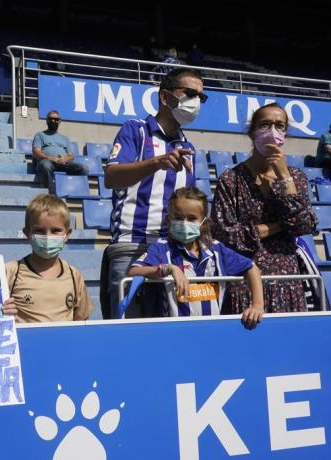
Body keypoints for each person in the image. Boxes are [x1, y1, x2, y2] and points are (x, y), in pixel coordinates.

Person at [101, 67, 205, 319]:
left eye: (201, 97)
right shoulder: (135, 130)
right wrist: (156, 162)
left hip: (172, 251)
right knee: (128, 333)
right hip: (132, 246)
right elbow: (111, 177)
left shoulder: (187, 146)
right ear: (165, 97)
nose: (196, 102)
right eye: (189, 93)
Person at [211, 103, 317, 314]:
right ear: (252, 133)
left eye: (280, 126)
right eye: (265, 125)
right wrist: (281, 225)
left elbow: (305, 224)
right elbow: (226, 234)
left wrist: (284, 177)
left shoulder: (296, 177)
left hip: (287, 280)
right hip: (244, 279)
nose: (272, 131)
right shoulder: (231, 180)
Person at [127, 187, 264, 328]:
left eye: (192, 218)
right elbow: (133, 271)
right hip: (174, 330)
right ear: (168, 220)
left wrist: (258, 305)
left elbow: (251, 268)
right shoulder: (161, 248)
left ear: (204, 223)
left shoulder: (217, 250)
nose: (184, 223)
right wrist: (169, 269)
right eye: (178, 218)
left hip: (212, 329)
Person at [1, 194, 93, 322]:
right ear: (27, 233)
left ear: (67, 234)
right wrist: (0, 313)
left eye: (55, 230)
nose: (48, 237)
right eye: (39, 231)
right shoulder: (10, 272)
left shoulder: (74, 275)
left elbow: (82, 321)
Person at [31, 110, 89, 193]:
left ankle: (75, 191)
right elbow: (36, 152)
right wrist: (51, 158)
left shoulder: (64, 138)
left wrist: (65, 159)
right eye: (51, 119)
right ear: (47, 120)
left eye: (56, 119)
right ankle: (49, 193)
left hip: (63, 163)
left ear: (60, 121)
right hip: (48, 161)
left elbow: (71, 155)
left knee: (84, 168)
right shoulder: (40, 135)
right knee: (45, 165)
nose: (53, 121)